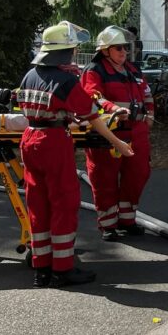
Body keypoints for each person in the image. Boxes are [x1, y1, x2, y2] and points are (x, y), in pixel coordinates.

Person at [17, 22, 134, 287]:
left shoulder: (30, 75)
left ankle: (42, 269)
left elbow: (38, 108)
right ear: (67, 51)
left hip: (30, 139)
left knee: (38, 205)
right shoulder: (66, 80)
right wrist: (119, 143)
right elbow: (93, 116)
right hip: (53, 143)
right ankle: (63, 270)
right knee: (63, 204)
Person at [80, 25, 155, 241]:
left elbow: (147, 95)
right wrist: (113, 109)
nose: (124, 52)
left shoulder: (133, 70)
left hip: (137, 132)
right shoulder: (95, 71)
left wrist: (149, 116)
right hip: (109, 134)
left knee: (138, 175)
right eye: (118, 48)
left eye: (125, 47)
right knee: (104, 178)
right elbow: (93, 97)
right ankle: (108, 225)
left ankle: (127, 220)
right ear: (105, 50)